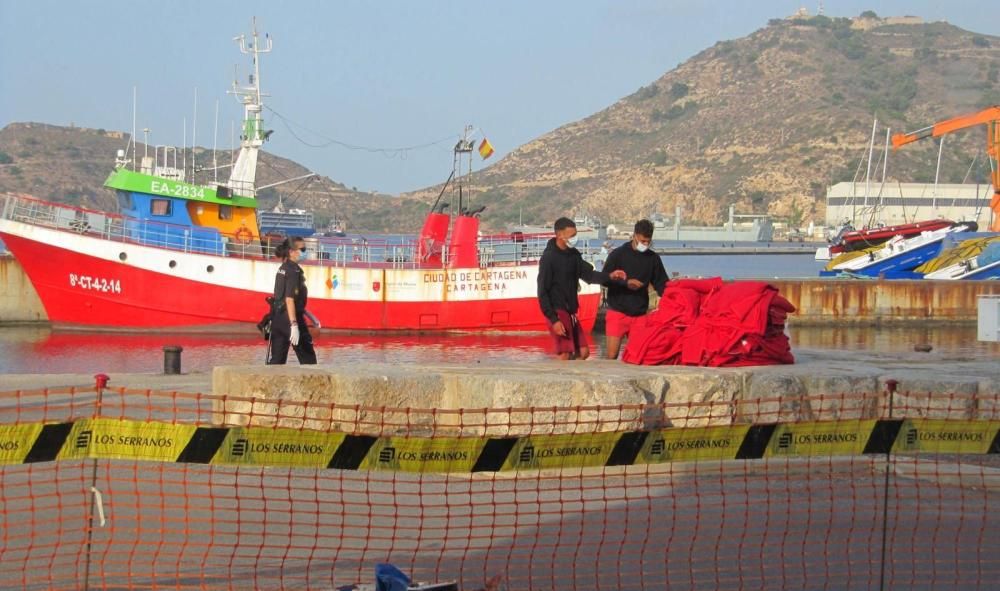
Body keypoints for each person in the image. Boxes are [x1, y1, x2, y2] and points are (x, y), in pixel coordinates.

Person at [538, 217, 626, 360]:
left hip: (570, 310)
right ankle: (560, 379)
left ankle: (572, 379)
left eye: (575, 235)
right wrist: (554, 320)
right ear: (560, 235)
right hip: (557, 310)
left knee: (583, 352)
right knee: (565, 353)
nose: (575, 238)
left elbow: (589, 275)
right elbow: (542, 291)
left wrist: (610, 276)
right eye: (572, 236)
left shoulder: (574, 255)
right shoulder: (549, 258)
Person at [601, 219, 669, 359]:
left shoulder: (653, 259)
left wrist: (671, 299)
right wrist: (626, 283)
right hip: (617, 312)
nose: (645, 244)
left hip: (640, 315)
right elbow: (605, 278)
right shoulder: (618, 254)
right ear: (634, 236)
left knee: (637, 356)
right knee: (612, 355)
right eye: (642, 241)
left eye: (648, 242)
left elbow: (662, 284)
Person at [266, 236, 318, 365]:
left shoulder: (282, 268)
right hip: (291, 319)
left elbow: (282, 297)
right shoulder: (294, 271)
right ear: (291, 252)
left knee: (276, 362)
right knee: (309, 360)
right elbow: (289, 299)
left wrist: (307, 313)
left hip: (278, 319)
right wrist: (294, 325)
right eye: (302, 249)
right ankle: (312, 386)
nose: (304, 251)